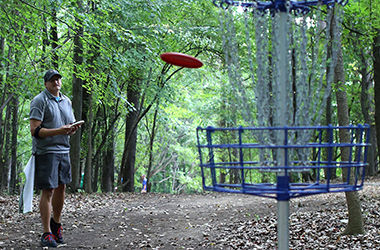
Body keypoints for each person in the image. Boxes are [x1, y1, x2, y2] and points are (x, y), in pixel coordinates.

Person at [30, 69, 82, 247]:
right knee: (48, 190)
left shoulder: (67, 101)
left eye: (58, 79)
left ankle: (56, 224)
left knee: (61, 188)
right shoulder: (39, 101)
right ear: (46, 83)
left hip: (64, 150)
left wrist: (71, 129)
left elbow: (69, 123)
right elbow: (35, 131)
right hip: (46, 151)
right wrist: (59, 131)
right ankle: (46, 233)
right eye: (52, 80)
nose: (56, 82)